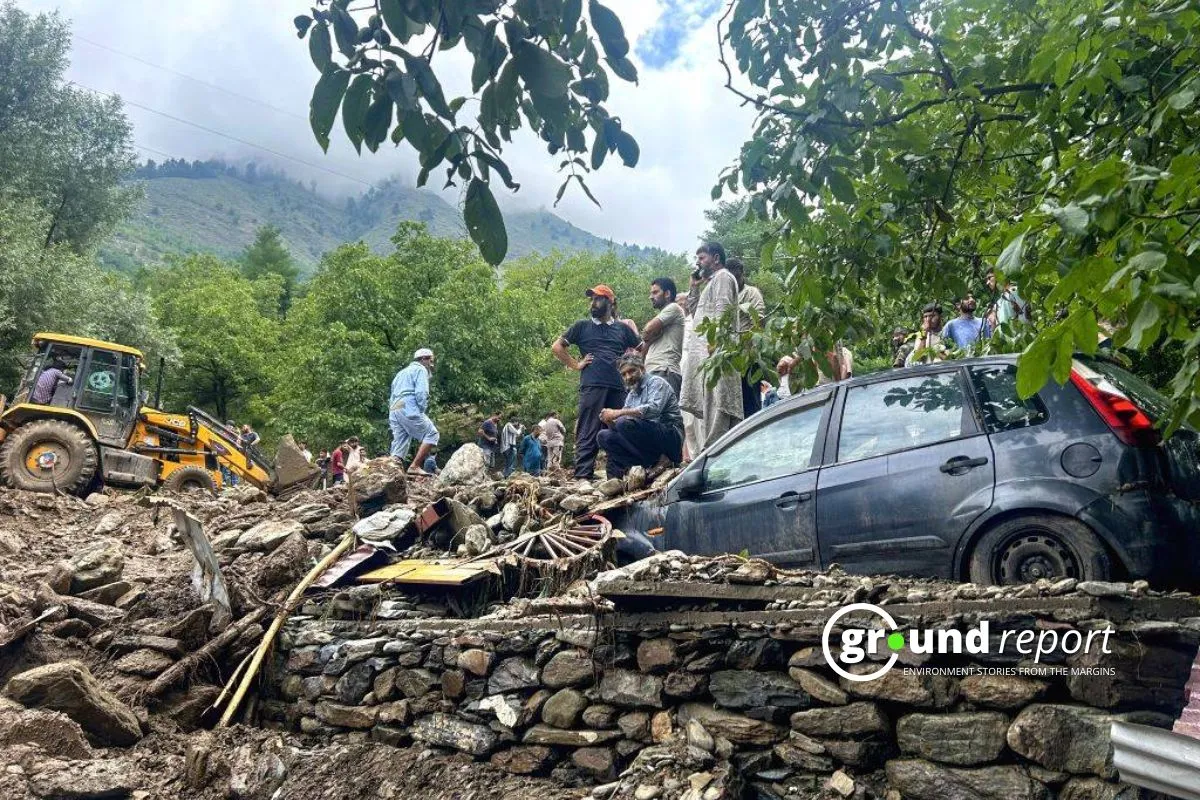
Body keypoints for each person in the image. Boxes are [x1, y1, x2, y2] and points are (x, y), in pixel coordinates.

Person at [552, 285, 641, 479]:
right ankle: (583, 477)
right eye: (592, 299)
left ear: (610, 302)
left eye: (598, 299)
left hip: (619, 387)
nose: (593, 303)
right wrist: (576, 365)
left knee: (618, 429)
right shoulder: (581, 326)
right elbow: (557, 347)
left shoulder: (622, 329)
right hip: (592, 384)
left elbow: (642, 347)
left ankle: (615, 478)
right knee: (588, 429)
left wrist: (634, 372)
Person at [680, 242, 743, 452]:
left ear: (716, 258)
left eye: (702, 257)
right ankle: (710, 454)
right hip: (708, 358)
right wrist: (694, 286)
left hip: (716, 356)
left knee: (719, 406)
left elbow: (722, 313)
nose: (698, 262)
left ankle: (716, 454)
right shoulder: (711, 283)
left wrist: (715, 346)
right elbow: (693, 311)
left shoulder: (724, 277)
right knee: (709, 406)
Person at [598, 353, 684, 479]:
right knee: (604, 436)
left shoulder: (657, 382)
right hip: (652, 443)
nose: (628, 377)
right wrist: (609, 420)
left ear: (642, 369)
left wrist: (617, 413)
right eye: (624, 374)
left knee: (623, 422)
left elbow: (654, 410)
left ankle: (666, 459)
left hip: (671, 437)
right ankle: (647, 465)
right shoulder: (632, 395)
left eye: (631, 371)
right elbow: (620, 428)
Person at [388, 348, 440, 475]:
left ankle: (392, 472)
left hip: (395, 407)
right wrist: (420, 409)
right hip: (408, 404)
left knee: (400, 440)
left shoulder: (400, 373)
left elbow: (393, 394)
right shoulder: (420, 369)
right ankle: (415, 466)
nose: (431, 364)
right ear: (424, 359)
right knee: (432, 433)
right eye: (431, 360)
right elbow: (422, 392)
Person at [727, 257, 767, 418]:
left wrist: (746, 349)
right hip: (728, 360)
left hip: (747, 358)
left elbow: (759, 322)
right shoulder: (726, 296)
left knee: (751, 404)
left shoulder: (751, 293)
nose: (734, 283)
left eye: (736, 277)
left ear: (742, 274)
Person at [642, 277, 685, 396]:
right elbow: (645, 344)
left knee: (660, 414)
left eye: (655, 292)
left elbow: (647, 330)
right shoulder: (664, 316)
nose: (651, 297)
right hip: (655, 371)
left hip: (665, 371)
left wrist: (649, 335)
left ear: (667, 294)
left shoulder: (674, 308)